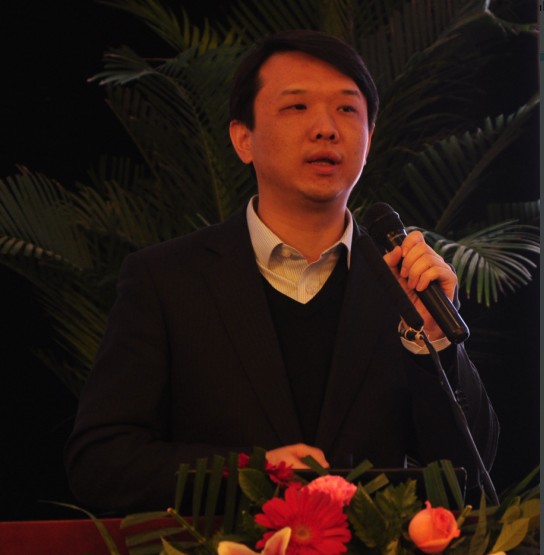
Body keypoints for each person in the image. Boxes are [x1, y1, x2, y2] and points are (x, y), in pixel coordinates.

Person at [65, 30, 498, 513]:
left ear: (369, 138)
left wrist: (433, 340)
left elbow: (470, 476)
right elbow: (100, 461)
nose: (326, 129)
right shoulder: (166, 280)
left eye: (346, 109)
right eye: (297, 107)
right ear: (243, 139)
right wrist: (250, 475)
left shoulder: (404, 285)